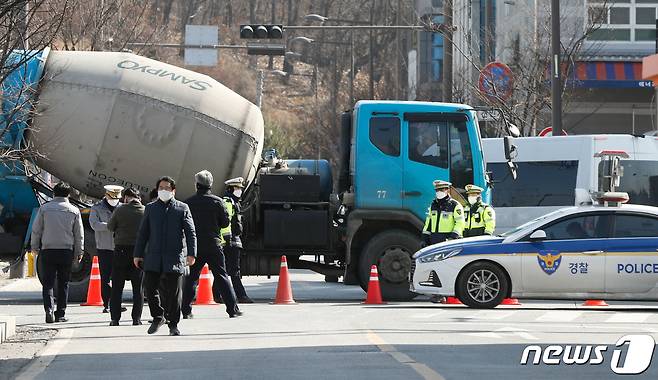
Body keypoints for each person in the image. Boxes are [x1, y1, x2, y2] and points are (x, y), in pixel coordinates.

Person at [134, 176, 197, 336]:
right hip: (153, 257)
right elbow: (143, 233)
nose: (164, 190)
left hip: (174, 257)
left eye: (167, 188)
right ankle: (158, 316)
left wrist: (191, 253)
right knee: (149, 288)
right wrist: (137, 254)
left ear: (173, 191)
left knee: (174, 293)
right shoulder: (150, 208)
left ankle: (173, 324)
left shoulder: (182, 208)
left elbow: (191, 233)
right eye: (161, 187)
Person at [182, 170, 241, 319]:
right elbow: (225, 223)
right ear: (211, 185)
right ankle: (232, 310)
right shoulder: (217, 201)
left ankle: (186, 311)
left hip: (195, 246)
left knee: (192, 278)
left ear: (196, 185)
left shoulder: (188, 202)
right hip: (214, 244)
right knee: (221, 276)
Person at [31, 182, 84, 323]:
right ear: (68, 195)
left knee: (48, 283)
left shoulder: (44, 209)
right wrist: (79, 252)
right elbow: (79, 234)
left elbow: (36, 230)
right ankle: (60, 314)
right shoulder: (74, 210)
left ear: (54, 193)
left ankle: (48, 310)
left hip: (48, 250)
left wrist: (34, 247)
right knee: (63, 283)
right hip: (66, 251)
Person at [107, 187, 145, 326]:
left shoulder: (120, 210)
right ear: (139, 198)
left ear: (127, 197)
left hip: (121, 251)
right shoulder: (145, 211)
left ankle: (115, 319)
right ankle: (136, 319)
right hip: (139, 253)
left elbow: (110, 227)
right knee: (138, 288)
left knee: (117, 287)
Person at [217, 177, 253, 304]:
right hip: (230, 241)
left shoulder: (234, 202)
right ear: (231, 189)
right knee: (233, 270)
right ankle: (241, 295)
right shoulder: (228, 202)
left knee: (225, 269)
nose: (240, 191)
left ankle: (215, 294)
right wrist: (227, 240)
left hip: (232, 240)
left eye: (240, 188)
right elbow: (226, 222)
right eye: (237, 188)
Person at [89, 185, 123, 313]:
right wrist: (110, 226)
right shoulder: (97, 208)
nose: (114, 200)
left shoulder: (122, 208)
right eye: (112, 197)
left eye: (117, 198)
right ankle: (106, 303)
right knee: (105, 277)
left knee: (118, 277)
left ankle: (117, 302)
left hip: (120, 246)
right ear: (107, 195)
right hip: (104, 247)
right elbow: (94, 224)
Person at [421, 180, 465, 246]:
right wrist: (425, 238)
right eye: (437, 190)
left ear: (447, 190)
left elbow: (460, 223)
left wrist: (453, 237)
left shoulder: (455, 205)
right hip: (434, 241)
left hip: (449, 241)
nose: (439, 192)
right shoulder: (433, 205)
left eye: (441, 190)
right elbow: (428, 223)